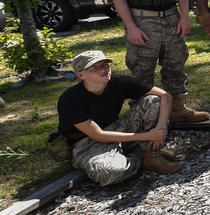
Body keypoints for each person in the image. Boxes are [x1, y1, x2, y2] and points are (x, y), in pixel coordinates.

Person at [56, 50, 180, 186]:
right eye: (94, 68)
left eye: (105, 65)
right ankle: (139, 156)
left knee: (153, 100)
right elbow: (98, 135)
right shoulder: (70, 100)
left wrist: (161, 127)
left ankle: (152, 155)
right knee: (112, 173)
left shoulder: (119, 82)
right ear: (81, 75)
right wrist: (148, 135)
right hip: (88, 146)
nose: (103, 70)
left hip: (116, 129)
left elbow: (165, 96)